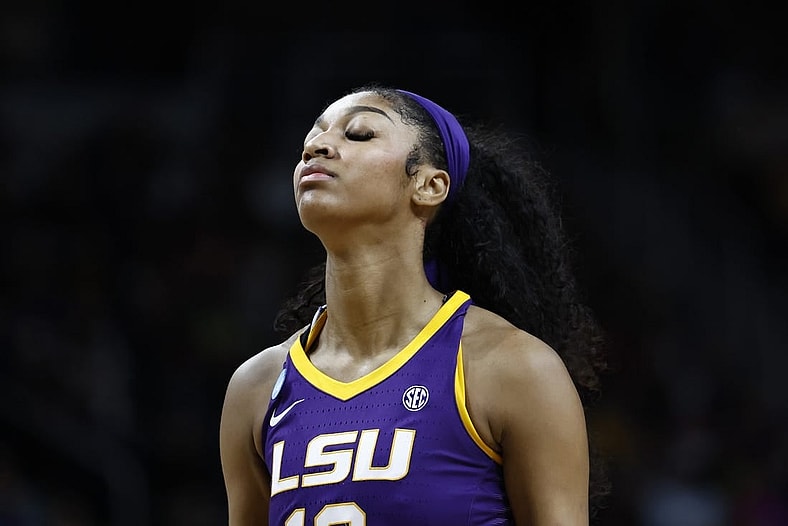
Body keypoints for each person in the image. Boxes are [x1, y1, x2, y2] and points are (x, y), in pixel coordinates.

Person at [219, 84, 608, 525]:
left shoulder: (510, 367)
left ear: (428, 185)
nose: (317, 147)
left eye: (360, 133)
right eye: (312, 138)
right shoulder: (256, 388)